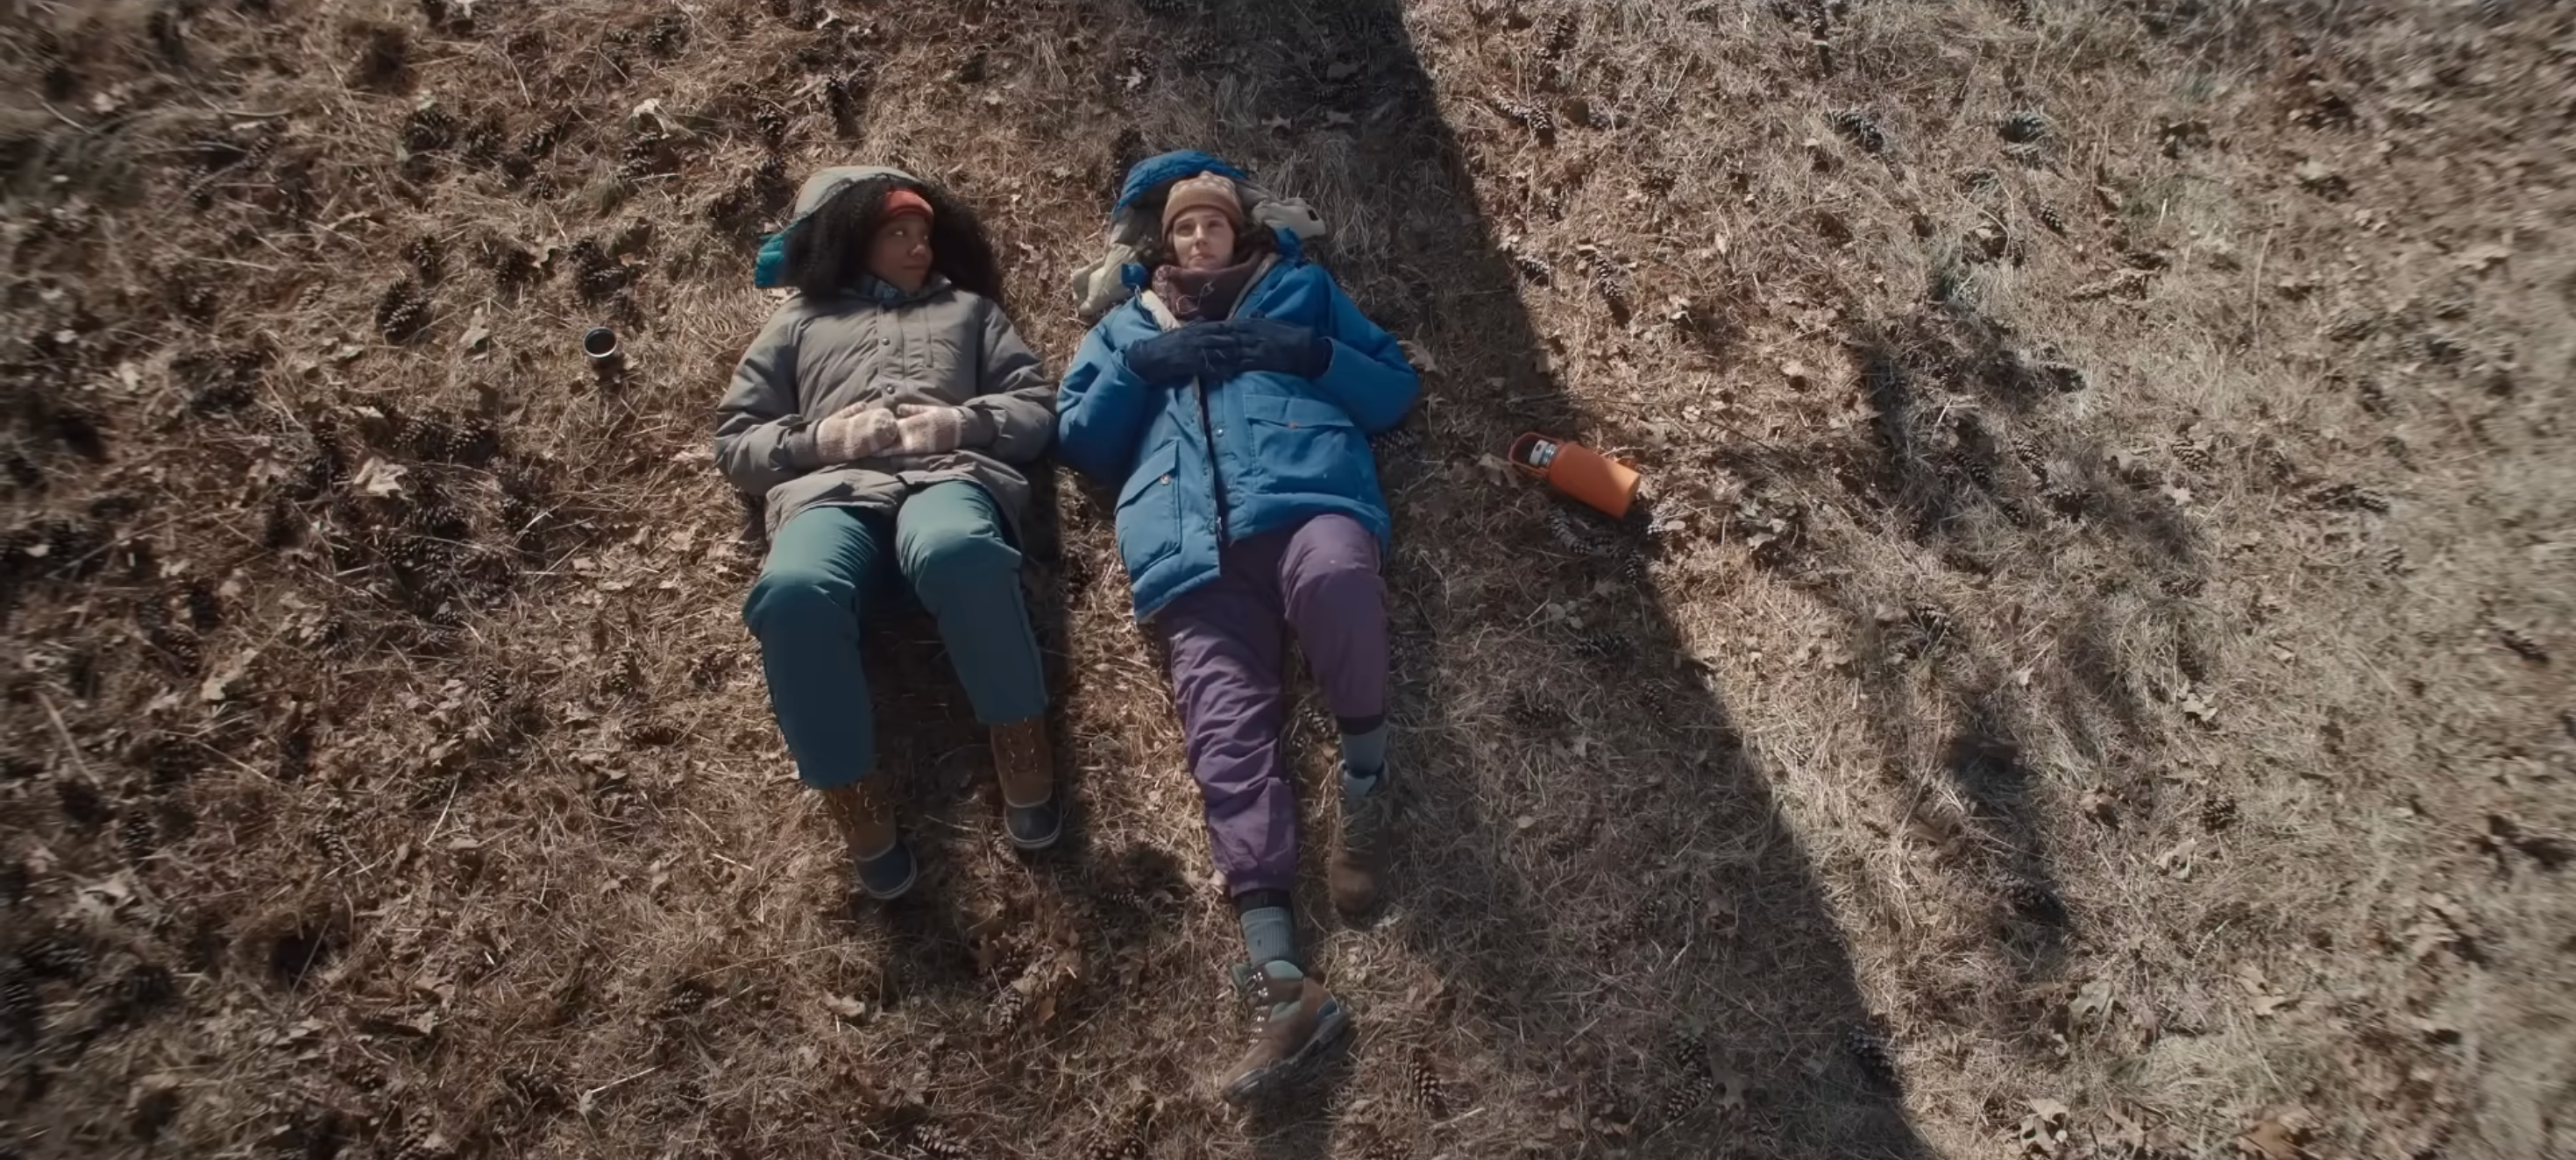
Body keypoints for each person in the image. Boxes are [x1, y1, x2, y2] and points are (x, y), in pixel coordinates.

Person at [1054, 152, 1421, 1101]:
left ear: (1241, 228)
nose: (1197, 235)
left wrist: (1313, 355)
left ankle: (1369, 784)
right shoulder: (1124, 327)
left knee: (1338, 581)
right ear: (1159, 243)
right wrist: (1142, 368)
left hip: (1306, 501)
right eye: (1180, 226)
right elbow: (1082, 442)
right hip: (1191, 552)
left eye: (1212, 220)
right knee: (1222, 729)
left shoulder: (1299, 288)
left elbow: (1392, 392)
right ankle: (1281, 983)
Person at [715, 166, 1060, 902]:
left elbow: (1035, 409)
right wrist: (820, 438)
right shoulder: (797, 325)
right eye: (897, 234)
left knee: (958, 549)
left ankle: (1022, 741)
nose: (917, 249)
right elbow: (735, 445)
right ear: (851, 242)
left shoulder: (970, 312)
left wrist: (968, 422)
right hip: (832, 498)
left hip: (944, 483)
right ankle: (855, 800)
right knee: (791, 593)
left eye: (924, 234)